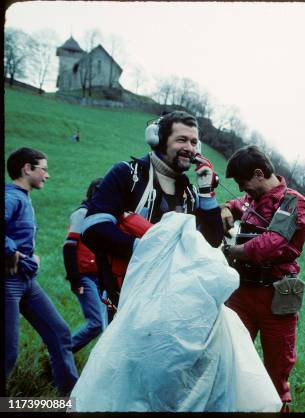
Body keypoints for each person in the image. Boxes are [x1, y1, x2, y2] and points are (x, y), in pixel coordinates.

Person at [81, 110, 224, 308]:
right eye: (181, 140)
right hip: (126, 297)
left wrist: (206, 192)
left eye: (194, 142)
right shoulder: (126, 174)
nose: (190, 148)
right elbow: (93, 228)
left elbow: (212, 241)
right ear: (159, 139)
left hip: (175, 299)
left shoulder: (190, 192)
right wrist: (147, 248)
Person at [221, 145, 305, 412]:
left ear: (259, 174)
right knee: (230, 356)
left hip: (278, 297)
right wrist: (226, 208)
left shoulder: (295, 202)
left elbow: (273, 242)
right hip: (241, 293)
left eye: (243, 183)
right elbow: (237, 205)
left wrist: (235, 250)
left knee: (277, 371)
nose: (242, 190)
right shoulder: (250, 199)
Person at [5, 147, 79, 396]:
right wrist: (10, 251)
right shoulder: (11, 197)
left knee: (60, 334)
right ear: (27, 168)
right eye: (44, 169)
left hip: (27, 282)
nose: (47, 175)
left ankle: (71, 400)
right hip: (8, 282)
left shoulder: (22, 197)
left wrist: (30, 257)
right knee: (7, 352)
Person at [63, 178, 108, 353]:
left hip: (100, 277)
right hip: (84, 276)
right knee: (96, 323)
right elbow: (69, 247)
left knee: (105, 324)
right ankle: (60, 355)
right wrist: (75, 279)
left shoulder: (102, 216)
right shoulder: (82, 214)